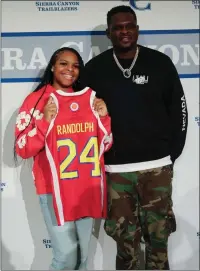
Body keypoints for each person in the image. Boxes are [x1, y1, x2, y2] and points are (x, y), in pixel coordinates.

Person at [84, 5, 188, 270]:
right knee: (124, 243)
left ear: (137, 29)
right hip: (116, 171)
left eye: (129, 25)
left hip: (156, 169)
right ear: (109, 33)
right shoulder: (94, 69)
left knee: (158, 240)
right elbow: (81, 117)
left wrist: (168, 154)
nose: (124, 31)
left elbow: (179, 110)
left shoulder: (160, 63)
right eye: (117, 27)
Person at [14, 47, 112, 270]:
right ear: (52, 66)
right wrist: (45, 122)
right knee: (66, 257)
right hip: (52, 189)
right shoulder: (37, 100)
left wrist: (104, 118)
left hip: (85, 187)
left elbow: (105, 142)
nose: (70, 70)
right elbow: (22, 148)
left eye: (75, 66)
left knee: (83, 257)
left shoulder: (90, 99)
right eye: (64, 64)